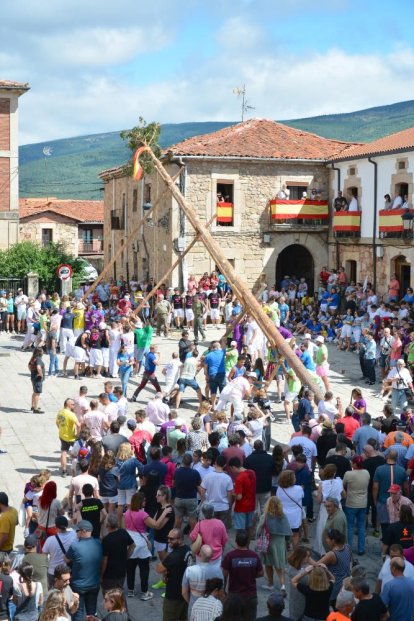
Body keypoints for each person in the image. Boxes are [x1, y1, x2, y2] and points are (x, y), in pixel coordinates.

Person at [64, 520, 103, 621]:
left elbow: (66, 559)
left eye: (77, 530)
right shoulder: (98, 543)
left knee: (78, 613)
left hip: (78, 586)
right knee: (92, 614)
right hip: (94, 584)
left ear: (83, 531)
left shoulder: (75, 546)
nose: (76, 533)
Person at [222, 530, 263, 621]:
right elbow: (261, 573)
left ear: (236, 542)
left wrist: (223, 590)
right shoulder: (254, 556)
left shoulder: (230, 556)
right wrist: (251, 574)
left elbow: (224, 575)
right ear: (248, 542)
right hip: (250, 596)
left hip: (234, 596)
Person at [156, 528, 193, 621]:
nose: (169, 541)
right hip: (185, 592)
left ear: (180, 540)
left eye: (172, 539)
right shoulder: (187, 549)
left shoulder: (174, 556)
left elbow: (159, 568)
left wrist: (165, 570)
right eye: (168, 538)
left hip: (173, 595)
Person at [257, 496, 292, 593]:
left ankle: (270, 583)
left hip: (268, 543)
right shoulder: (283, 516)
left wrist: (258, 536)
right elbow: (288, 532)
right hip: (280, 544)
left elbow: (258, 530)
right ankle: (283, 585)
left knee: (268, 564)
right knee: (280, 566)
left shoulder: (265, 516)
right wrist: (288, 542)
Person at [343, 455, 370, 555]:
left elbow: (344, 485)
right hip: (363, 503)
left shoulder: (349, 474)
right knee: (361, 527)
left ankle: (348, 549)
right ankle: (361, 549)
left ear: (354, 463)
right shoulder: (366, 473)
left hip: (351, 503)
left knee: (349, 527)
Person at [101, 513, 135, 592]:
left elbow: (105, 560)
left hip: (109, 575)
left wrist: (101, 575)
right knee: (118, 594)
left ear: (107, 525)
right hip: (121, 572)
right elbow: (133, 545)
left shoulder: (106, 540)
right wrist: (126, 556)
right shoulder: (123, 532)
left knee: (111, 598)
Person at [181, 545, 223, 610]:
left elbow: (184, 592)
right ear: (212, 556)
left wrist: (191, 603)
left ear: (200, 554)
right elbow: (220, 592)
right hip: (211, 608)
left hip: (194, 606)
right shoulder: (218, 571)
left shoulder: (189, 570)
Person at [318, 528, 352, 605]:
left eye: (328, 538)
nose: (326, 540)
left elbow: (317, 566)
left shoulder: (331, 554)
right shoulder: (347, 547)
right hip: (346, 583)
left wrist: (308, 559)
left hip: (335, 587)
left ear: (333, 541)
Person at [42, 516, 77, 588]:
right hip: (68, 572)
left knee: (53, 594)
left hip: (53, 571)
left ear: (56, 526)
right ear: (67, 525)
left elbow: (44, 556)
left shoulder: (50, 540)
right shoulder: (74, 535)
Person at [200, 455, 234, 527]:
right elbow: (229, 494)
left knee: (211, 528)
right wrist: (230, 505)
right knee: (222, 528)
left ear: (215, 463)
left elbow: (202, 491)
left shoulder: (207, 476)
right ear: (225, 465)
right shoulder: (228, 478)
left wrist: (205, 500)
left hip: (211, 507)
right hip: (224, 507)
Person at [173, 453, 202, 531]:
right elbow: (199, 484)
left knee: (178, 518)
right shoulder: (195, 473)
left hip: (179, 498)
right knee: (192, 518)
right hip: (191, 498)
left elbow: (173, 484)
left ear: (182, 461)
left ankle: (177, 536)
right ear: (191, 462)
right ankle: (193, 536)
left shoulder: (177, 471)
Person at [228, 457, 256, 537]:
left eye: (231, 469)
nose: (232, 471)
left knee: (241, 530)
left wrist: (233, 493)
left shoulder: (239, 479)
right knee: (248, 527)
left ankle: (241, 546)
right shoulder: (252, 472)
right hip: (251, 505)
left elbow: (239, 497)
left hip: (241, 507)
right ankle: (247, 545)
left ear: (233, 467)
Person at [276, 470, 304, 548]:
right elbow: (302, 496)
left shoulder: (279, 489)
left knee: (283, 536)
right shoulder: (299, 489)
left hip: (283, 516)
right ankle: (295, 554)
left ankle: (284, 552)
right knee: (295, 535)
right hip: (295, 517)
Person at [381, 557, 414, 621]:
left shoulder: (389, 586)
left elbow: (382, 606)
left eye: (390, 566)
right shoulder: (412, 583)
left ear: (393, 568)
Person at [245, 440, 274, 513]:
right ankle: (263, 524)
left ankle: (254, 523)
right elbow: (273, 471)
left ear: (254, 447)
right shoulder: (270, 458)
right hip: (266, 487)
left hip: (253, 488)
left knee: (253, 510)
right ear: (262, 447)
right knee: (264, 509)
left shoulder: (248, 459)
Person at [56, 398, 81, 478]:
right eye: (73, 404)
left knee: (64, 452)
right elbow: (78, 425)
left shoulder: (60, 412)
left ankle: (64, 471)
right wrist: (78, 434)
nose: (74, 405)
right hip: (72, 437)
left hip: (62, 436)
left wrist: (61, 430)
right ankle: (79, 468)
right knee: (79, 452)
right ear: (69, 405)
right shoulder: (71, 414)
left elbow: (57, 422)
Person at [28, 347, 45, 413]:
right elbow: (38, 367)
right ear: (40, 353)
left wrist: (32, 372)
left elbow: (29, 365)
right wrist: (41, 374)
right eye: (42, 351)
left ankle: (33, 406)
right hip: (37, 379)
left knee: (34, 392)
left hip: (33, 377)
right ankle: (36, 408)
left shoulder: (33, 358)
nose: (43, 352)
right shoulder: (38, 359)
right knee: (37, 393)